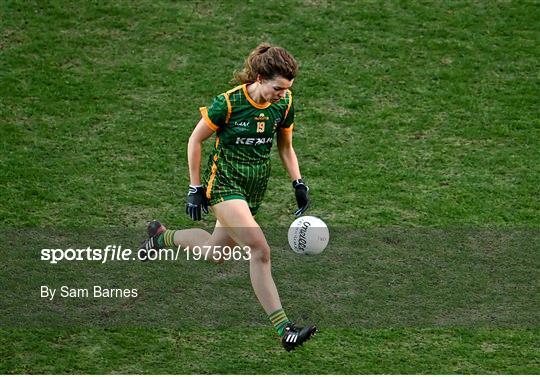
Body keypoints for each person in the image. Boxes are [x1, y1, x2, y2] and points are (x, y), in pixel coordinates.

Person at [140, 43, 316, 352]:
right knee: (260, 249)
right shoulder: (229, 104)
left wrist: (298, 182)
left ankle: (161, 238)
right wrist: (195, 188)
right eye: (277, 87)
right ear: (260, 77)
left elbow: (285, 147)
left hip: (254, 189)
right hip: (224, 185)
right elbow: (195, 139)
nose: (282, 93)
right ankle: (284, 329)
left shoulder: (284, 104)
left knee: (214, 253)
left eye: (286, 89)